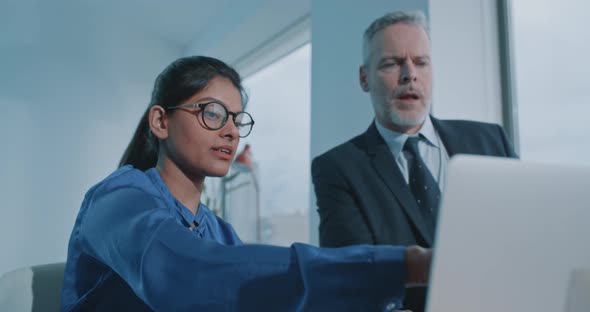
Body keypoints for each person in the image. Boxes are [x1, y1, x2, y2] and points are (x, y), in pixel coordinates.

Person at [60, 55, 431, 311]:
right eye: (213, 113)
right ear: (160, 122)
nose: (230, 132)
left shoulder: (216, 230)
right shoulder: (118, 200)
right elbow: (187, 275)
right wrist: (399, 266)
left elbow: (257, 290)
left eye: (237, 120)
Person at [311, 10, 517, 312]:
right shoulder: (338, 169)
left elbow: (522, 241)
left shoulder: (490, 141)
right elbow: (352, 278)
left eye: (421, 62)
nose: (410, 75)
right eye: (392, 63)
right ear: (364, 78)